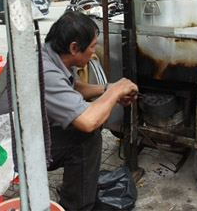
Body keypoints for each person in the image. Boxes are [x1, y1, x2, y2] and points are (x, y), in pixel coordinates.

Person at [42, 11, 139, 210]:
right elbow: (88, 121)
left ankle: (74, 193)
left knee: (84, 134)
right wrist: (117, 90)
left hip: (27, 131)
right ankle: (76, 207)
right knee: (86, 138)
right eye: (93, 46)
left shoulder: (53, 54)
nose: (94, 53)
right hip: (11, 148)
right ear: (74, 47)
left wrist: (108, 89)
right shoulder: (45, 70)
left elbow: (71, 87)